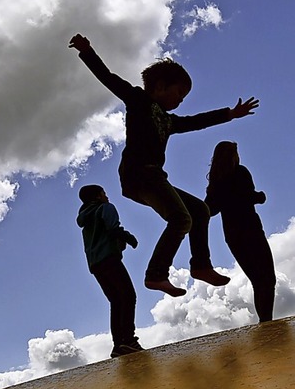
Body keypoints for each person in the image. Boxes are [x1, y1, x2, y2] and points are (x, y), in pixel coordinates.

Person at [69, 33, 259, 297]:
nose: (180, 100)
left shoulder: (168, 121)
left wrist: (229, 114)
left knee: (200, 210)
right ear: (159, 86)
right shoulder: (138, 100)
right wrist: (87, 51)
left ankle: (201, 266)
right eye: (179, 93)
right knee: (181, 218)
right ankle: (156, 274)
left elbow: (195, 121)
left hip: (155, 178)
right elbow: (108, 78)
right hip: (138, 175)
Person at [205, 141, 276, 322]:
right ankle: (266, 322)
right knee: (267, 279)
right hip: (251, 229)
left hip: (232, 235)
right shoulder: (241, 172)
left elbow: (210, 210)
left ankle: (265, 322)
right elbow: (248, 196)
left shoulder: (217, 181)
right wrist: (260, 197)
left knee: (257, 280)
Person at [76, 185, 143, 358]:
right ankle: (128, 340)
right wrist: (129, 238)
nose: (107, 196)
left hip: (95, 265)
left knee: (116, 300)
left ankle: (119, 345)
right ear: (98, 196)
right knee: (128, 295)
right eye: (104, 193)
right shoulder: (105, 208)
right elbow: (113, 228)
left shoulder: (86, 219)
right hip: (110, 259)